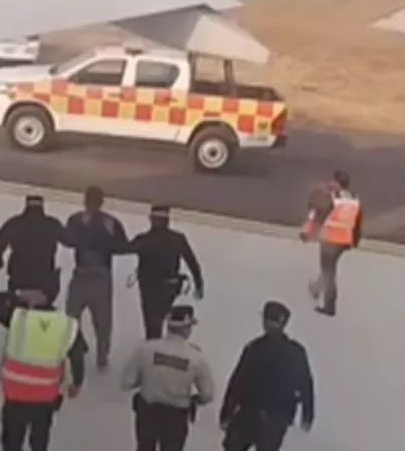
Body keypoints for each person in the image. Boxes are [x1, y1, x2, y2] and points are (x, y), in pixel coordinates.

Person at [0, 288, 87, 451]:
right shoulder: (67, 324)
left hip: (16, 393)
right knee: (40, 438)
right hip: (46, 395)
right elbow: (78, 355)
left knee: (12, 440)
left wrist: (18, 295)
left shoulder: (19, 318)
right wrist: (77, 383)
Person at [220, 301, 315, 451]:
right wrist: (307, 414)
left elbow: (237, 382)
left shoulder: (254, 348)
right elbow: (306, 385)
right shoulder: (296, 352)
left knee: (233, 446)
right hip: (277, 418)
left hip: (249, 413)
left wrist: (226, 412)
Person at [120, 305, 214, 451]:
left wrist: (145, 379)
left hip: (147, 413)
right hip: (176, 418)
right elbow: (207, 395)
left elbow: (126, 382)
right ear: (187, 328)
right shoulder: (196, 357)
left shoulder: (146, 349)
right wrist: (195, 400)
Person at [62, 185, 128, 369]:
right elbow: (122, 246)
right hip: (100, 274)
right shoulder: (111, 222)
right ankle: (101, 355)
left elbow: (67, 239)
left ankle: (77, 349)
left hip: (83, 273)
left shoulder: (75, 220)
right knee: (102, 320)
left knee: (73, 315)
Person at [122, 205, 204, 340]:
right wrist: (199, 284)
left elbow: (123, 248)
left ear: (152, 220)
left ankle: (154, 350)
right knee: (169, 322)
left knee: (152, 325)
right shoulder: (178, 239)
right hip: (170, 287)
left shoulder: (144, 239)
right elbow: (192, 262)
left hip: (149, 287)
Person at [0, 195, 65, 321]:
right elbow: (70, 240)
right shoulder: (52, 224)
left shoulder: (14, 224)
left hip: (19, 283)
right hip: (44, 287)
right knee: (40, 323)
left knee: (18, 322)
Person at [300, 170, 362, 317]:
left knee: (329, 272)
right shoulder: (354, 198)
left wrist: (308, 233)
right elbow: (358, 220)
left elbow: (319, 216)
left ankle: (329, 305)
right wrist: (355, 240)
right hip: (345, 240)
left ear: (336, 182)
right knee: (329, 268)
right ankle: (316, 288)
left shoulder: (332, 197)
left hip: (331, 239)